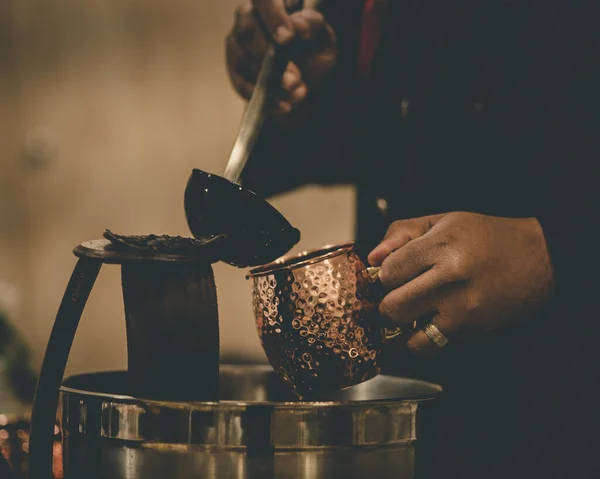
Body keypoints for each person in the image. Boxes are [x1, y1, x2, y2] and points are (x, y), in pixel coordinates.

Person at [226, 1, 599, 477]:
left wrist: (554, 251)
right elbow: (407, 125)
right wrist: (306, 86)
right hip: (409, 414)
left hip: (568, 414)